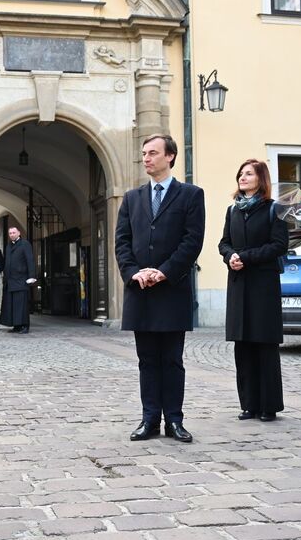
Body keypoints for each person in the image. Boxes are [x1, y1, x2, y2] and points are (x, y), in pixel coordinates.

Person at [115, 133, 205, 443]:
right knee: (147, 360)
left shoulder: (191, 195)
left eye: (153, 152)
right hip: (140, 290)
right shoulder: (132, 198)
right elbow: (122, 241)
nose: (146, 158)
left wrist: (164, 272)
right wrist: (134, 273)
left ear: (170, 156)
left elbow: (192, 241)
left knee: (172, 360)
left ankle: (174, 421)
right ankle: (150, 419)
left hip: (172, 290)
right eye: (144, 153)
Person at [218, 159, 289, 423]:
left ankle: (269, 406)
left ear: (261, 178)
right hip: (239, 284)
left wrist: (246, 257)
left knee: (264, 344)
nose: (242, 177)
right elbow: (224, 243)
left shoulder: (273, 209)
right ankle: (248, 404)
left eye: (249, 173)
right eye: (241, 173)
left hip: (263, 285)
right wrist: (230, 257)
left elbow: (279, 245)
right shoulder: (233, 210)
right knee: (243, 344)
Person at [0, 226, 36, 333]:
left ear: (19, 233)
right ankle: (16, 325)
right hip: (10, 280)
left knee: (21, 305)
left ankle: (25, 326)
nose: (12, 235)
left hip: (21, 279)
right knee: (12, 305)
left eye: (13, 232)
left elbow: (30, 260)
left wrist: (31, 276)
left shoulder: (25, 244)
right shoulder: (8, 246)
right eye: (10, 233)